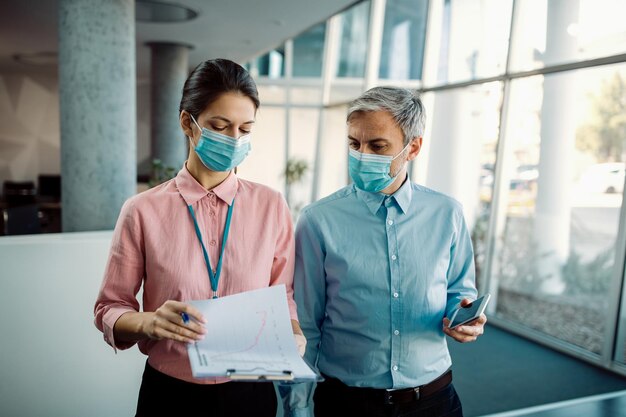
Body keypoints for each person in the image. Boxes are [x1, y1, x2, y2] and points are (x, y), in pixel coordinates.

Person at [94, 58, 305, 417]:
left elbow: (282, 295)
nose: (233, 140)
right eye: (219, 126)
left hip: (251, 392)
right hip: (170, 394)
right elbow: (109, 308)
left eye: (244, 128)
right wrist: (150, 322)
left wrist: (293, 333)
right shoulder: (142, 210)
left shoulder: (272, 206)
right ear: (187, 124)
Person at [282, 86, 486, 417]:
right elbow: (306, 324)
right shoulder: (318, 220)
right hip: (347, 404)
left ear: (413, 147)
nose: (362, 155)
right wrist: (298, 406)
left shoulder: (447, 213)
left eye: (377, 146)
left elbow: (459, 290)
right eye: (354, 144)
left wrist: (463, 317)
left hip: (433, 400)